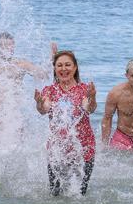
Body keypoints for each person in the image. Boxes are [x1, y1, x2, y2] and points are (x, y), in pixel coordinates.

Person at [34, 51, 97, 196]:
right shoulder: (50, 90)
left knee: (80, 194)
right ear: (55, 69)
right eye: (59, 65)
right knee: (55, 192)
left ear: (75, 68)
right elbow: (44, 109)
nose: (64, 69)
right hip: (58, 148)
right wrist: (39, 103)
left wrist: (92, 98)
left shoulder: (84, 89)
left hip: (83, 146)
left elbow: (89, 108)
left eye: (68, 65)